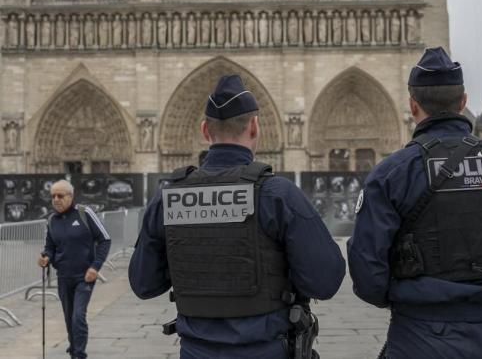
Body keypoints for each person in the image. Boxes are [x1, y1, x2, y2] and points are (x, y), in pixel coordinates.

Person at [347, 47, 482, 359]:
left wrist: (409, 295)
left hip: (418, 336)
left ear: (413, 106)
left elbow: (367, 274)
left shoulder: (391, 174)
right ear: (462, 103)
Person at [128, 75, 346, 359]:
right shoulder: (278, 194)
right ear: (254, 127)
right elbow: (325, 281)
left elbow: (143, 284)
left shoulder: (168, 197)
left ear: (205, 130)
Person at [38, 180, 111, 359]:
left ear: (70, 196)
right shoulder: (52, 220)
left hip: (84, 276)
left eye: (60, 196)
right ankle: (73, 347)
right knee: (69, 317)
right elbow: (50, 246)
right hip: (63, 276)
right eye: (53, 196)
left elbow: (105, 239)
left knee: (78, 316)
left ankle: (79, 354)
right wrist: (45, 257)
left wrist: (95, 266)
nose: (56, 199)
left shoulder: (84, 213)